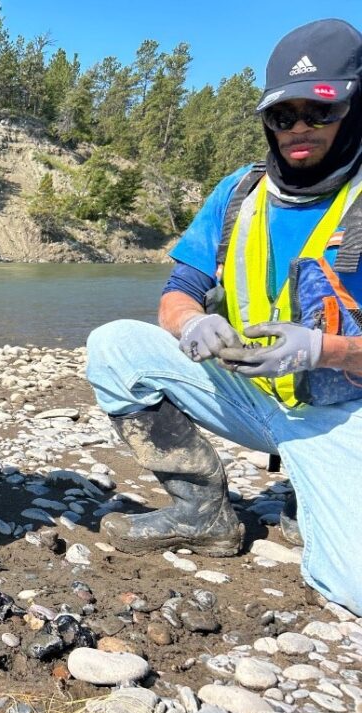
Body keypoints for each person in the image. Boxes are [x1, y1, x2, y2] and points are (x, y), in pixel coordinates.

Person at [85, 18, 362, 615]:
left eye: (318, 112)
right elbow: (178, 289)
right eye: (281, 115)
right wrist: (189, 323)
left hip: (346, 414)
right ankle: (202, 513)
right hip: (255, 399)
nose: (297, 129)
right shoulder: (240, 192)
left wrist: (326, 351)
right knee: (115, 346)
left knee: (352, 584)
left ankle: (307, 493)